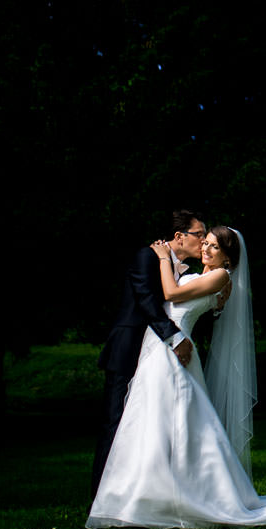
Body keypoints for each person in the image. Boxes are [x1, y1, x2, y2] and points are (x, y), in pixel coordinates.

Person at [86, 226, 266, 529]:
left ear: (228, 257)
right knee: (151, 422)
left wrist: (163, 257)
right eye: (207, 244)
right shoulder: (201, 275)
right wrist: (172, 263)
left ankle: (175, 497)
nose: (207, 249)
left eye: (215, 247)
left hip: (172, 354)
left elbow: (170, 294)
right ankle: (141, 496)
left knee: (173, 423)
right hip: (158, 350)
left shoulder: (221, 277)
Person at [91, 210, 207, 497]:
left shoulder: (179, 267)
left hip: (155, 356)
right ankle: (101, 497)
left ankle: (142, 491)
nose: (204, 242)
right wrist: (175, 337)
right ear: (179, 237)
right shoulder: (147, 256)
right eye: (199, 235)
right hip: (128, 348)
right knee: (115, 422)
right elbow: (146, 300)